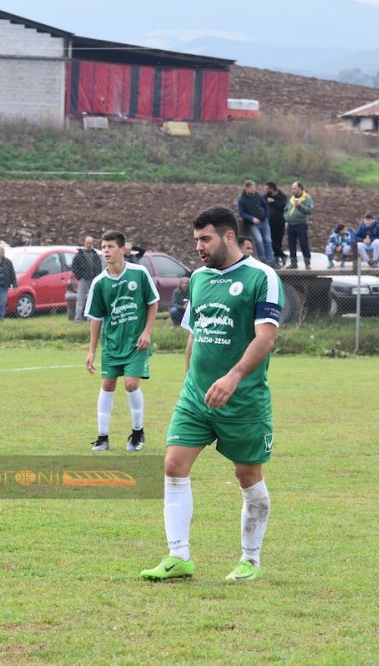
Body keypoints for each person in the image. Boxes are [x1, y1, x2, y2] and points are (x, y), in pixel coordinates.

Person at [141, 205, 283, 583]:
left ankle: (250, 560)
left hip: (243, 398)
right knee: (173, 466)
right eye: (196, 240)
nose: (199, 247)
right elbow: (195, 333)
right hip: (196, 398)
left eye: (205, 239)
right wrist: (190, 381)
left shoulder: (261, 277)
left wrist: (233, 377)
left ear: (229, 236)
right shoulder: (200, 278)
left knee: (247, 475)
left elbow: (266, 337)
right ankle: (178, 557)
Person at [84, 230, 159, 452]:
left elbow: (153, 303)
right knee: (107, 384)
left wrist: (147, 332)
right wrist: (91, 351)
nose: (106, 251)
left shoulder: (139, 273)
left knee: (131, 384)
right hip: (112, 344)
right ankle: (102, 437)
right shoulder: (99, 283)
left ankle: (137, 433)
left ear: (122, 249)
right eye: (103, 247)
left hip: (136, 343)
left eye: (110, 246)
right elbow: (96, 318)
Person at [236, 180, 276, 266]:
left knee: (268, 240)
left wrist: (266, 216)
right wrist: (251, 218)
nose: (253, 190)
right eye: (251, 188)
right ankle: (263, 260)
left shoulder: (258, 195)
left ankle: (271, 260)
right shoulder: (242, 200)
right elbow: (241, 213)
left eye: (254, 188)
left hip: (264, 221)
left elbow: (265, 205)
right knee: (259, 240)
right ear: (246, 188)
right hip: (253, 224)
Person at [71, 235, 103, 322]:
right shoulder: (79, 255)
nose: (89, 245)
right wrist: (79, 277)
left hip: (93, 279)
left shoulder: (95, 254)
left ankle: (90, 318)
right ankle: (78, 318)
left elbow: (99, 266)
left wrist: (97, 276)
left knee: (92, 299)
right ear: (84, 243)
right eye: (87, 243)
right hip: (83, 279)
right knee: (80, 299)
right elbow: (74, 267)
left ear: (92, 244)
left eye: (90, 243)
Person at [284, 181, 314, 269]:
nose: (292, 190)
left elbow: (309, 211)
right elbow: (286, 209)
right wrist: (286, 217)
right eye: (292, 188)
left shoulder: (307, 198)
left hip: (301, 224)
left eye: (294, 188)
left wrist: (300, 205)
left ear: (300, 189)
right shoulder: (292, 198)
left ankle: (307, 263)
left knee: (304, 244)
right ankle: (293, 263)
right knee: (291, 244)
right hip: (291, 225)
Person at [264, 181, 288, 267]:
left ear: (272, 189)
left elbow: (284, 206)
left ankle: (277, 259)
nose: (265, 190)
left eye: (267, 189)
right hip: (269, 223)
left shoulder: (282, 196)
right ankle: (282, 255)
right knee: (270, 241)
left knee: (278, 241)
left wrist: (273, 201)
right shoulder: (265, 197)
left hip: (280, 222)